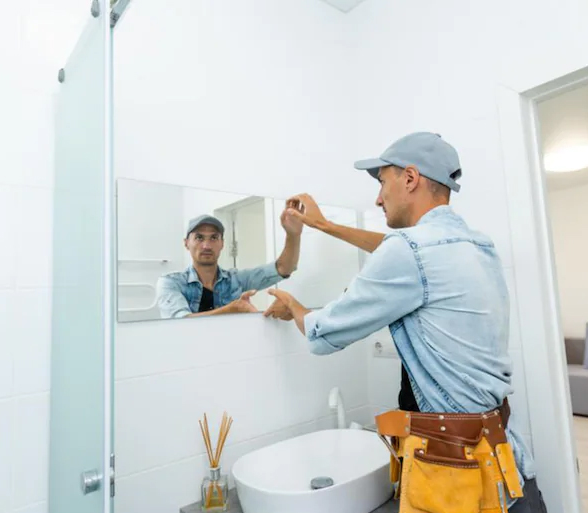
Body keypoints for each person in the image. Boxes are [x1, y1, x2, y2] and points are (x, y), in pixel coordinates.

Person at [264, 132, 546, 512]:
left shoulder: (409, 251)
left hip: (460, 480)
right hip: (507, 464)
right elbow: (401, 250)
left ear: (410, 178)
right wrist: (326, 226)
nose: (378, 198)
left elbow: (322, 332)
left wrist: (293, 305)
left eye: (382, 182)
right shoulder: (476, 244)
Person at [156, 209, 302, 319]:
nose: (206, 245)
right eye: (199, 238)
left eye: (214, 238)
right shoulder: (171, 283)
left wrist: (293, 235)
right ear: (186, 243)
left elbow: (283, 268)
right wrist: (231, 310)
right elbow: (180, 323)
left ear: (222, 244)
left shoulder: (236, 280)